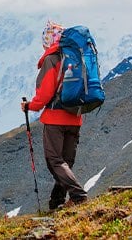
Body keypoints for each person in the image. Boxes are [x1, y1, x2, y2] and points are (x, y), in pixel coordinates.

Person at [21, 20, 88, 210]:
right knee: (66, 162)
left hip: (55, 118)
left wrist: (29, 106)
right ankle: (57, 201)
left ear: (50, 41)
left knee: (55, 161)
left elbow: (44, 95)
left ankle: (78, 195)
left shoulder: (51, 59)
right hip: (75, 117)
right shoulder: (76, 58)